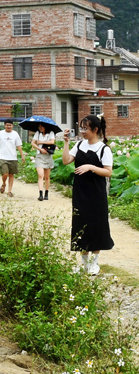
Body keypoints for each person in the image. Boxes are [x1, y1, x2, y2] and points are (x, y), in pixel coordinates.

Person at [61, 115, 114, 275]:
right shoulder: (79, 145)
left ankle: (94, 263)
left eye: (85, 128)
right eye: (81, 128)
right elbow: (65, 161)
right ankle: (84, 264)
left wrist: (91, 167)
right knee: (80, 224)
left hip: (96, 194)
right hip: (80, 192)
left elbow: (108, 172)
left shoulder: (104, 149)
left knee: (96, 226)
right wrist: (65, 143)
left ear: (95, 130)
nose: (82, 131)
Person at [0, 119, 26, 197]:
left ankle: (9, 191)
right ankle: (4, 183)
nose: (8, 126)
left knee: (11, 175)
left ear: (12, 126)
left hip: (13, 157)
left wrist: (22, 155)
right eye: (7, 125)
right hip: (3, 157)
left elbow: (18, 146)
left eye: (10, 125)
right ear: (4, 125)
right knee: (5, 174)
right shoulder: (0, 133)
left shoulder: (15, 134)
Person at [30, 123, 56, 201]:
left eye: (42, 126)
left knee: (47, 177)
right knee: (41, 175)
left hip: (48, 156)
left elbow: (52, 142)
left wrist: (41, 142)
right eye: (39, 126)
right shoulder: (37, 133)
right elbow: (33, 143)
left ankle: (46, 193)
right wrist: (40, 149)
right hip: (39, 156)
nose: (40, 128)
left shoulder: (51, 133)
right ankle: (40, 193)